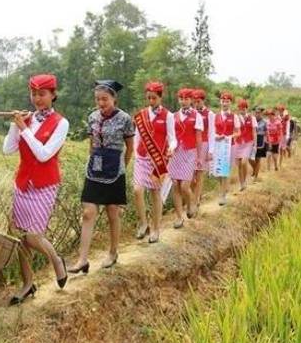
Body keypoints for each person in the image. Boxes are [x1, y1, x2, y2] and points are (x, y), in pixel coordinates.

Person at [2, 74, 70, 305]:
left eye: (42, 94)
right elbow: (7, 150)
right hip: (23, 183)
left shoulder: (61, 123)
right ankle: (28, 283)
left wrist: (25, 130)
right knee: (20, 237)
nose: (37, 99)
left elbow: (43, 154)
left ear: (53, 95)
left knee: (33, 236)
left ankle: (56, 260)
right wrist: (15, 126)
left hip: (45, 185)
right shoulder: (27, 120)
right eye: (34, 94)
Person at [69, 80, 134, 274]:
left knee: (112, 212)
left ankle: (113, 252)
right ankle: (82, 259)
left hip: (115, 166)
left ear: (114, 98)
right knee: (88, 212)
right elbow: (92, 143)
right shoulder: (92, 117)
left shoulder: (124, 119)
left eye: (105, 99)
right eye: (98, 99)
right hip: (95, 165)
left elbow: (130, 147)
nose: (101, 103)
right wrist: (90, 161)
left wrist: (123, 165)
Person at [132, 81, 176, 243]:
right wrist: (137, 154)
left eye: (154, 98)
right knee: (137, 190)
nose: (151, 101)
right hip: (142, 158)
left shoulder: (168, 116)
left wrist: (171, 148)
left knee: (155, 194)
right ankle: (143, 223)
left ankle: (156, 229)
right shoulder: (142, 114)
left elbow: (173, 139)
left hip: (158, 160)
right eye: (148, 98)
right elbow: (137, 136)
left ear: (160, 97)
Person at [168, 88, 204, 228]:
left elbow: (199, 138)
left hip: (190, 152)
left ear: (191, 100)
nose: (184, 101)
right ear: (179, 100)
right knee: (175, 185)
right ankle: (179, 217)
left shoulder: (197, 116)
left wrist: (200, 157)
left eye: (186, 98)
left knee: (184, 186)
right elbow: (170, 136)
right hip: (176, 153)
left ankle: (192, 202)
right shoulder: (173, 116)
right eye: (181, 98)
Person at [210, 91, 240, 205]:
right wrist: (217, 137)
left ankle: (223, 195)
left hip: (229, 146)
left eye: (227, 101)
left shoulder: (234, 116)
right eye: (223, 101)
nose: (225, 103)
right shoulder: (215, 116)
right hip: (217, 145)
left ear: (230, 103)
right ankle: (224, 188)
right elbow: (211, 132)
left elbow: (238, 132)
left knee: (225, 170)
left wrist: (229, 137)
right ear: (220, 102)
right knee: (217, 171)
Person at [189, 88, 215, 215]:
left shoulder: (209, 114)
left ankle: (196, 200)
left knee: (199, 174)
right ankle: (193, 197)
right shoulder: (191, 113)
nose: (196, 104)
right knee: (191, 175)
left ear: (203, 101)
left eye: (198, 101)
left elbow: (211, 133)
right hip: (191, 146)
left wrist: (211, 151)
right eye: (194, 101)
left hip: (204, 145)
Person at [233, 98, 257, 191]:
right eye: (240, 108)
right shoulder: (236, 118)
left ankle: (245, 180)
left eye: (244, 108)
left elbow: (254, 132)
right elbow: (234, 130)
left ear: (247, 108)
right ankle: (242, 183)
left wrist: (254, 144)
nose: (242, 110)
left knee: (244, 162)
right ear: (238, 109)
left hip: (248, 142)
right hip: (238, 143)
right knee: (239, 164)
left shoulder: (252, 118)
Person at [251, 106, 268, 179]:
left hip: (261, 139)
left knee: (258, 158)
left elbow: (266, 133)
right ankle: (255, 169)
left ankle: (256, 176)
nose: (257, 114)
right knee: (250, 158)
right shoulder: (252, 120)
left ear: (261, 113)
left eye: (259, 113)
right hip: (252, 139)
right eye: (256, 112)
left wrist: (265, 142)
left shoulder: (264, 122)